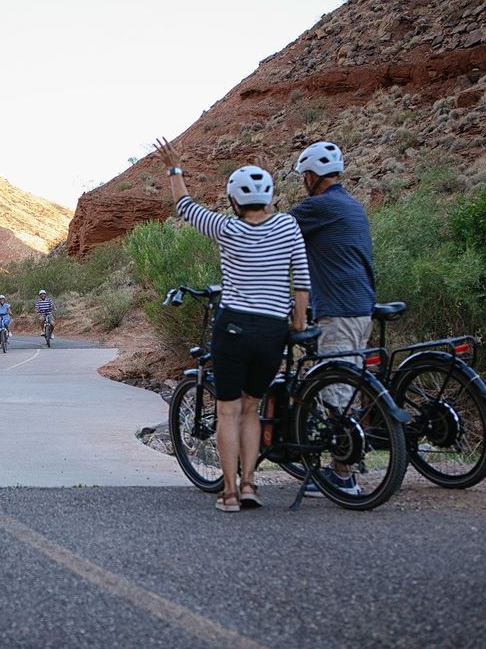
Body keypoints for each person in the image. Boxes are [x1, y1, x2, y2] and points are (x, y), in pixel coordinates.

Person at [154, 137, 310, 513]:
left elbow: (184, 206)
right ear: (270, 198)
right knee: (251, 409)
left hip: (234, 328)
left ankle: (228, 492)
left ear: (234, 200)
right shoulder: (289, 227)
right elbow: (302, 281)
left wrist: (175, 168)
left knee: (227, 410)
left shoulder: (226, 228)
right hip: (273, 331)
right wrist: (298, 324)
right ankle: (251, 484)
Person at [289, 141, 376, 498]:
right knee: (346, 383)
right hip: (362, 306)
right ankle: (347, 459)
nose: (303, 183)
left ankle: (344, 477)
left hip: (338, 310)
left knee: (337, 393)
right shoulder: (352, 205)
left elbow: (276, 230)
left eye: (303, 177)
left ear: (311, 176)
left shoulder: (318, 207)